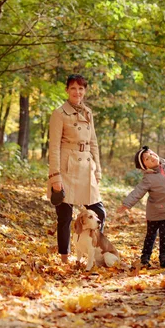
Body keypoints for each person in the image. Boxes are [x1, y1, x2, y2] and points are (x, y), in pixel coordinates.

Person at [47, 74, 106, 264]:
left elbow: (94, 142)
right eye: (73, 88)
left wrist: (97, 169)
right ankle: (65, 258)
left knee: (100, 213)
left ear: (85, 91)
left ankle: (94, 251)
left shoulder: (88, 112)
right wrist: (55, 176)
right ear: (67, 90)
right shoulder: (59, 114)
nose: (77, 92)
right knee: (64, 216)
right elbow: (54, 146)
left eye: (81, 88)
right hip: (66, 166)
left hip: (87, 166)